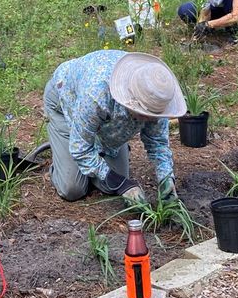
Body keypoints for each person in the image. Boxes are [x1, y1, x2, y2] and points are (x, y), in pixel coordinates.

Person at [43, 49, 186, 203]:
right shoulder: (97, 94)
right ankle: (61, 159)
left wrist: (166, 178)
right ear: (132, 100)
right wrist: (121, 183)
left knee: (109, 188)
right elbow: (80, 149)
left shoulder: (155, 97)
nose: (148, 120)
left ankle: (99, 153)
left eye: (152, 116)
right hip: (66, 99)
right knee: (73, 189)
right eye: (144, 114)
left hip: (102, 119)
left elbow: (157, 142)